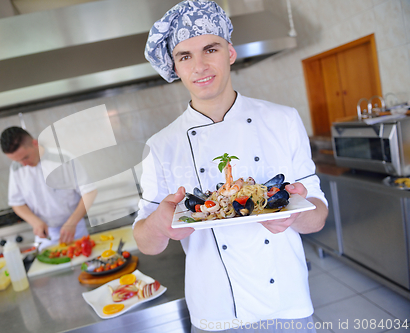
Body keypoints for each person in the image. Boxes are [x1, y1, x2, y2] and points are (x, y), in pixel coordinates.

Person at [133, 1, 328, 332]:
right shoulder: (161, 146)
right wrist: (161, 224)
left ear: (230, 53)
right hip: (216, 312)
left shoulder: (283, 119)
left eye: (211, 48)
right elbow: (147, 243)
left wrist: (295, 213)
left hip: (287, 301)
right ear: (175, 69)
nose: (200, 65)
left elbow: (318, 218)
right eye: (185, 56)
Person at [0, 126, 97, 248]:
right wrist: (35, 222)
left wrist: (72, 223)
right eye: (18, 161)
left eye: (25, 157)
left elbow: (89, 192)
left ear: (35, 143)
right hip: (46, 236)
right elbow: (17, 203)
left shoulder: (64, 158)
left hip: (75, 229)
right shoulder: (16, 168)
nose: (24, 164)